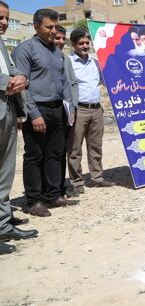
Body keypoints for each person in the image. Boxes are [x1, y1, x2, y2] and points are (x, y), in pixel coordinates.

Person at [11, 9, 79, 216]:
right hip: (37, 109)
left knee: (56, 153)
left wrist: (69, 108)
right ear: (36, 26)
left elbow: (64, 82)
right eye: (48, 27)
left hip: (58, 109)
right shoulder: (25, 49)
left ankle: (53, 195)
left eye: (54, 27)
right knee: (35, 155)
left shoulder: (56, 52)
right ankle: (34, 200)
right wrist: (33, 114)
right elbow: (22, 86)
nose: (53, 31)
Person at [0, 1, 38, 254]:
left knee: (5, 171)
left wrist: (20, 76)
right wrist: (7, 81)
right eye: (1, 18)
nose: (4, 22)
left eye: (6, 18)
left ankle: (3, 224)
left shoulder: (1, 43)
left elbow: (13, 68)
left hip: (8, 111)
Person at [66, 29, 115, 193]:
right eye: (81, 43)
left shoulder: (95, 63)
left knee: (96, 146)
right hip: (78, 110)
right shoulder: (68, 62)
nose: (85, 46)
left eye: (87, 43)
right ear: (73, 44)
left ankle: (97, 177)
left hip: (96, 109)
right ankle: (77, 181)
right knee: (75, 148)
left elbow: (106, 82)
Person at [53, 25, 80, 198]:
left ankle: (61, 186)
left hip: (66, 112)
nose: (61, 42)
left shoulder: (65, 59)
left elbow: (73, 85)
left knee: (62, 150)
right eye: (57, 38)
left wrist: (73, 108)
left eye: (63, 39)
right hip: (48, 111)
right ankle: (47, 190)